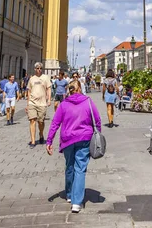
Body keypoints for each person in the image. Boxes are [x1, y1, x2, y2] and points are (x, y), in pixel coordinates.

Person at [46, 79, 101, 214]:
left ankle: (70, 195)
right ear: (80, 89)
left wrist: (49, 141)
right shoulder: (88, 102)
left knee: (69, 166)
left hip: (67, 139)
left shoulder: (64, 105)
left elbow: (55, 123)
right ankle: (77, 202)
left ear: (68, 90)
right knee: (80, 168)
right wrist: (98, 136)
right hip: (84, 138)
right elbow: (97, 120)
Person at [26, 62, 51, 147]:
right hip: (32, 102)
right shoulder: (31, 79)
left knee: (41, 121)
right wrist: (28, 103)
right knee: (32, 120)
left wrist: (49, 99)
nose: (39, 70)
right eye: (37, 68)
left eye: (40, 68)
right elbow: (29, 91)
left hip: (42, 103)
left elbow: (48, 88)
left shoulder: (45, 78)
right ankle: (33, 140)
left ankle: (41, 133)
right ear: (35, 69)